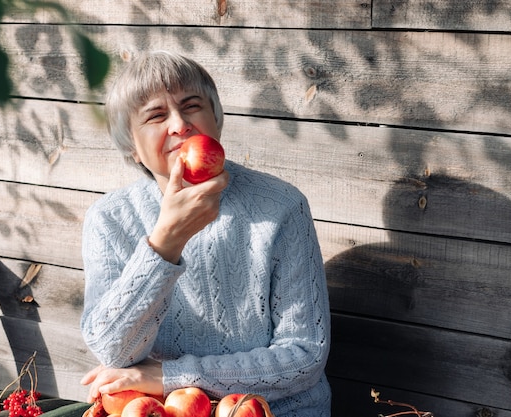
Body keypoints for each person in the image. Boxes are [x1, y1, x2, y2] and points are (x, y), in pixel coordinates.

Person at [79, 50, 331, 417]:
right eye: (156, 115)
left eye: (191, 105)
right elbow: (112, 351)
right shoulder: (109, 220)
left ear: (215, 118)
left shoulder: (281, 207)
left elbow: (305, 355)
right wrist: (165, 242)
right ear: (132, 147)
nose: (180, 125)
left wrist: (172, 376)